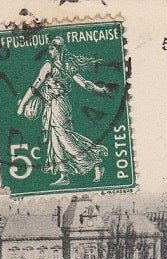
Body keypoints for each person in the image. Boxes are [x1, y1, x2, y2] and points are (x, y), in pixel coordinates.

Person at [16, 37, 110, 187]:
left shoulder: (59, 65)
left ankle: (95, 162)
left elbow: (84, 83)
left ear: (58, 49)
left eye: (52, 49)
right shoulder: (58, 65)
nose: (50, 52)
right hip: (51, 104)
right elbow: (36, 86)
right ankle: (64, 174)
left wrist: (99, 90)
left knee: (64, 137)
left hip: (60, 104)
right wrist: (99, 90)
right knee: (55, 138)